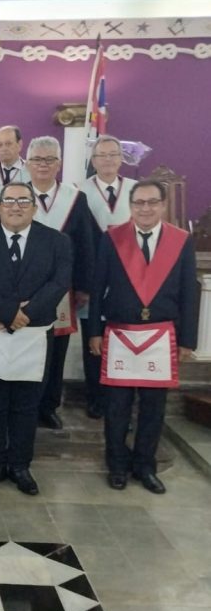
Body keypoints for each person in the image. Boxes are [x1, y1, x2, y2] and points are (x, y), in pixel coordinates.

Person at [0, 182, 72, 495]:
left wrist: (27, 314)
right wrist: (9, 312)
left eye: (23, 200)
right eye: (9, 201)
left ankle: (21, 465)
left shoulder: (57, 241)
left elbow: (59, 282)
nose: (15, 206)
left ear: (34, 207)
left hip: (34, 335)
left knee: (26, 405)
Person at [88, 179, 198, 494]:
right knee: (117, 407)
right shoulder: (113, 238)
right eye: (138, 202)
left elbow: (189, 292)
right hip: (120, 333)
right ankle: (117, 465)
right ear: (131, 205)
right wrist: (94, 331)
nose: (145, 208)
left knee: (153, 407)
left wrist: (187, 340)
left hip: (161, 335)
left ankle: (145, 466)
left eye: (152, 202)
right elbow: (97, 287)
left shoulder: (180, 241)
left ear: (163, 205)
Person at [25, 135, 95, 430]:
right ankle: (26, 404)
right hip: (21, 288)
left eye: (49, 159)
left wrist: (84, 286)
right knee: (25, 347)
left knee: (56, 350)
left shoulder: (75, 198)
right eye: (37, 159)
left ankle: (49, 405)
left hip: (61, 291)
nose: (43, 165)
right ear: (27, 164)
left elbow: (86, 245)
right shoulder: (14, 195)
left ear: (59, 164)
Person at [79, 134, 137, 418]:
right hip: (92, 276)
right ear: (93, 160)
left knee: (124, 339)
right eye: (101, 155)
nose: (108, 160)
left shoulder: (136, 190)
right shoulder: (79, 191)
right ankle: (96, 398)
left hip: (129, 278)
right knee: (93, 338)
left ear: (121, 158)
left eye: (113, 154)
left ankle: (122, 398)